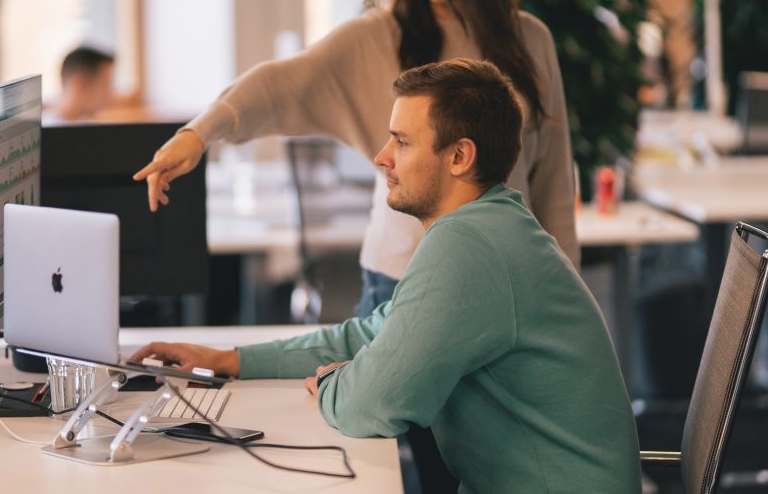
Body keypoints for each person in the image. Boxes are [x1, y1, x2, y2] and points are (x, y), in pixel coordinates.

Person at [132, 59, 640, 493]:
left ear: (460, 156)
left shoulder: (471, 245)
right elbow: (371, 333)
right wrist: (230, 360)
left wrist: (340, 382)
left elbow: (370, 406)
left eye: (401, 140)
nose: (381, 157)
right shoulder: (487, 227)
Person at [134, 0, 578, 318]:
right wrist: (198, 134)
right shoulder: (378, 38)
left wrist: (565, 291)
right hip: (404, 281)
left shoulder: (530, 39)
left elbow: (553, 180)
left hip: (505, 280)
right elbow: (277, 84)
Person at [44, 46, 116, 123]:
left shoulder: (84, 122)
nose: (111, 93)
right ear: (79, 85)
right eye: (104, 85)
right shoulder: (47, 128)